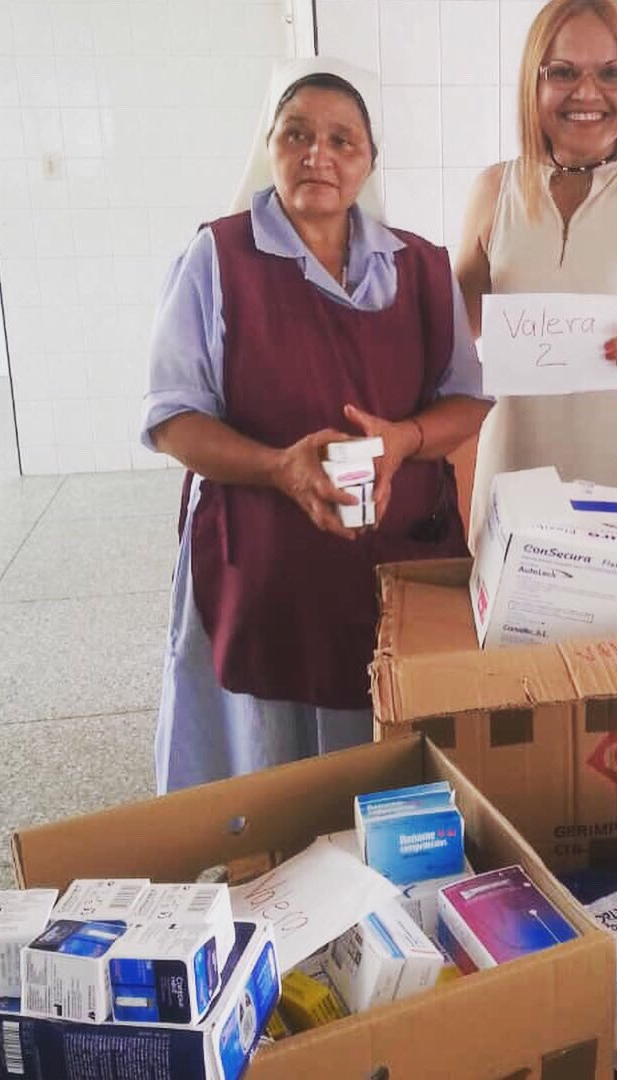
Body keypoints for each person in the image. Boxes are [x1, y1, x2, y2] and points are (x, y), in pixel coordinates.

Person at [141, 61, 490, 793]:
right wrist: (279, 466)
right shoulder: (218, 258)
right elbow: (173, 419)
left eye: (342, 140)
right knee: (269, 778)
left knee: (388, 754)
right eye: (296, 134)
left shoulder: (421, 267)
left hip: (393, 558)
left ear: (369, 161)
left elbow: (466, 400)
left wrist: (405, 440)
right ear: (269, 145)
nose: (317, 156)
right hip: (260, 565)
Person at [456, 0, 617, 535]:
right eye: (563, 73)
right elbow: (458, 327)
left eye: (612, 73)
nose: (587, 93)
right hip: (515, 475)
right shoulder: (494, 191)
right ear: (534, 82)